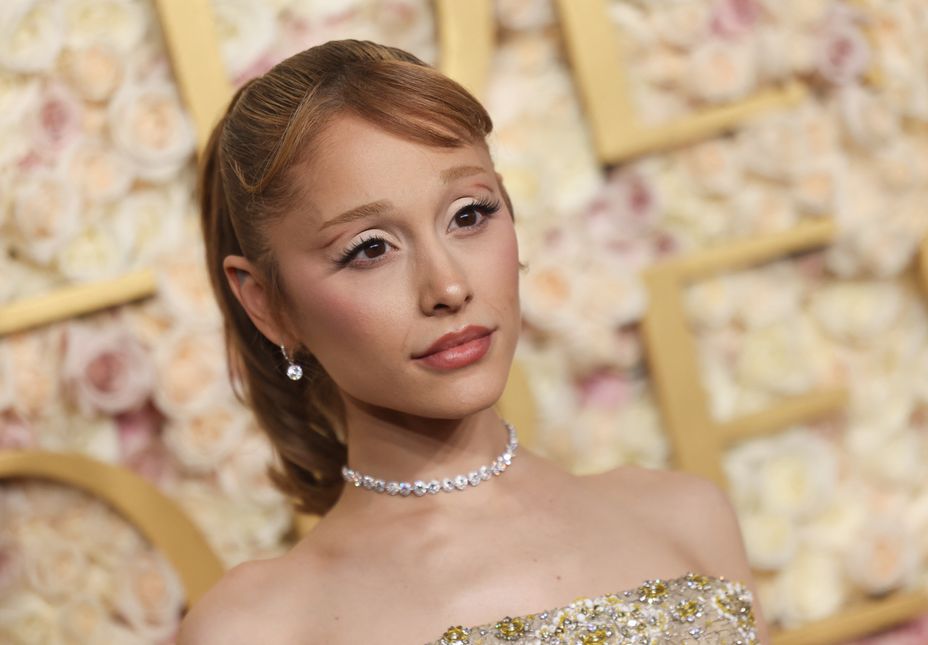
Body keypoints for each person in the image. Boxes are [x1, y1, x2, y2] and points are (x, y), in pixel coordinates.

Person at [178, 39, 767, 644]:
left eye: (468, 215)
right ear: (267, 304)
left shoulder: (686, 517)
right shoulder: (256, 629)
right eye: (370, 248)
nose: (449, 286)